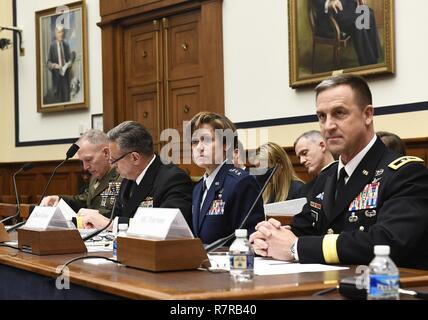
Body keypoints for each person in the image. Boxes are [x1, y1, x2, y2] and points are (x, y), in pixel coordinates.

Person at [250, 74, 428, 269]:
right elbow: (304, 227)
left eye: (339, 113)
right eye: (321, 116)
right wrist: (269, 237)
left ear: (367, 115)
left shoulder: (405, 173)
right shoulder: (327, 176)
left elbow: (387, 242)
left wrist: (296, 247)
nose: (328, 126)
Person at [79, 121, 193, 230]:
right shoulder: (128, 178)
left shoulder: (173, 179)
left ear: (135, 158)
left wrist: (110, 225)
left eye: (114, 160)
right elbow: (118, 215)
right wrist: (95, 220)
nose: (113, 166)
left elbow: (167, 225)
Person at [190, 112, 265, 245]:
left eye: (207, 140)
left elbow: (250, 239)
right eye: (195, 142)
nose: (199, 147)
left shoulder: (241, 183)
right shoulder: (198, 188)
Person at [40, 129, 121, 218]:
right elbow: (83, 200)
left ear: (106, 153)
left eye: (89, 159)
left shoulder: (123, 177)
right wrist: (58, 199)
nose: (85, 167)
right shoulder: (95, 177)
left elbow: (121, 213)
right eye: (82, 161)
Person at [312, 0, 381, 66]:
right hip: (329, 16)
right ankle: (367, 64)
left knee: (369, 13)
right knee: (359, 21)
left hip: (345, 8)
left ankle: (374, 58)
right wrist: (328, 3)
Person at [294, 130, 336, 197]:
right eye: (299, 157)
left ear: (322, 146)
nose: (302, 161)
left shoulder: (343, 175)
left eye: (304, 153)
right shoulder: (304, 189)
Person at [46, 25, 74, 103]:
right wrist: (54, 65)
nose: (61, 34)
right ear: (56, 34)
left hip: (66, 75)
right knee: (58, 99)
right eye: (59, 32)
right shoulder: (52, 46)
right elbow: (48, 62)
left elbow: (70, 58)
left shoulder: (66, 44)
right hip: (56, 76)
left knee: (66, 98)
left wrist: (69, 63)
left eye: (62, 32)